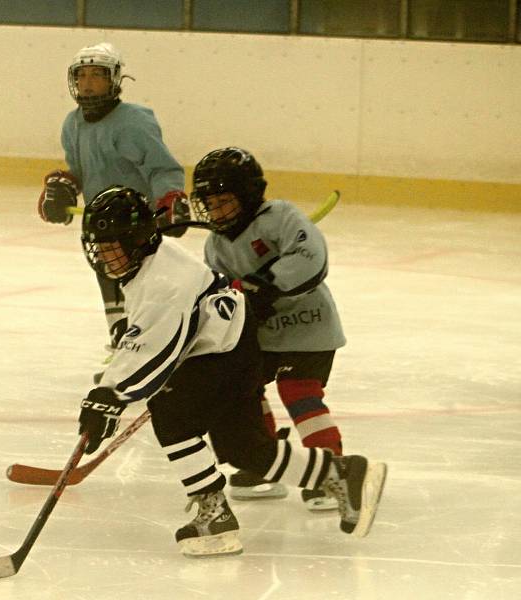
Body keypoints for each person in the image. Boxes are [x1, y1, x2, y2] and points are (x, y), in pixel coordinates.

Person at [76, 185, 387, 557]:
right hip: (229, 348)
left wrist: (109, 396)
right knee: (244, 448)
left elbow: (152, 349)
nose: (105, 256)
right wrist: (111, 392)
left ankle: (213, 509)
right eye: (99, 246)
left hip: (222, 355)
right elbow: (148, 337)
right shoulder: (150, 261)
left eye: (113, 246)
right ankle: (341, 474)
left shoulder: (165, 281)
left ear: (138, 239)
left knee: (172, 415)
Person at [190, 147, 346, 511]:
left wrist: (265, 285)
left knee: (299, 391)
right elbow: (221, 294)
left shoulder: (280, 217)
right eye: (209, 204)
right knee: (244, 389)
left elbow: (311, 257)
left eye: (224, 201)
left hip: (309, 326)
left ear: (247, 195)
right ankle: (266, 463)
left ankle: (331, 470)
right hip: (262, 334)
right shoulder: (215, 246)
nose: (215, 212)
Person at [36, 42, 189, 355]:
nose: (88, 83)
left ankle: (147, 343)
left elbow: (162, 168)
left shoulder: (134, 122)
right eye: (82, 76)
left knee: (140, 285)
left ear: (115, 79)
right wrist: (66, 184)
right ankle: (122, 341)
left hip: (137, 221)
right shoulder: (72, 123)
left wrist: (170, 198)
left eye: (97, 75)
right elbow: (81, 169)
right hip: (101, 221)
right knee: (108, 278)